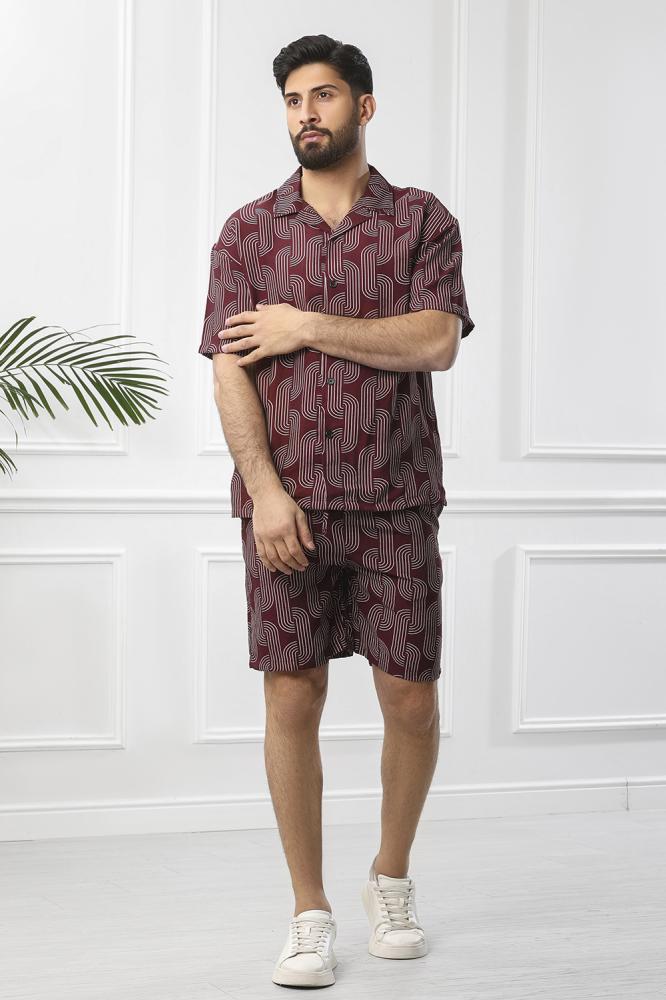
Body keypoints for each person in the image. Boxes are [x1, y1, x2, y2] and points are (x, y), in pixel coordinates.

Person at [198, 33, 475, 989]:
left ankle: (390, 880)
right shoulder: (248, 233)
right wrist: (265, 491)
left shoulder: (422, 221)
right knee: (291, 696)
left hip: (398, 501)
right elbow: (229, 372)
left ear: (364, 106)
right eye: (291, 99)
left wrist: (304, 325)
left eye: (322, 95)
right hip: (288, 511)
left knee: (411, 696)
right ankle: (308, 911)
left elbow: (434, 341)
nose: (304, 113)